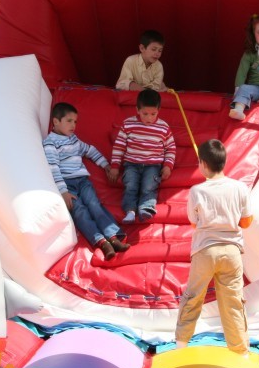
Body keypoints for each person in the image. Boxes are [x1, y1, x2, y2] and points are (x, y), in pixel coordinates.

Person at [175, 139, 253, 356]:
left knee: (193, 296)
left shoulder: (197, 191)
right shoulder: (239, 188)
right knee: (233, 302)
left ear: (202, 164)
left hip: (205, 250)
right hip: (232, 251)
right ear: (223, 162)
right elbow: (246, 222)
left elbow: (193, 222)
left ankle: (181, 345)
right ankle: (241, 352)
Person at [43, 102, 130, 261]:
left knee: (94, 205)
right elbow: (53, 168)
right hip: (67, 185)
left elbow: (90, 150)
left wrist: (106, 166)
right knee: (80, 212)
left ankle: (113, 237)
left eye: (75, 121)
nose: (73, 125)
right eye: (69, 121)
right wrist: (63, 192)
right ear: (56, 122)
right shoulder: (50, 143)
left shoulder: (74, 140)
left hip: (82, 180)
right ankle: (102, 242)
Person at [108, 89, 176, 224]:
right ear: (137, 109)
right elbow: (119, 146)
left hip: (153, 165)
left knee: (149, 185)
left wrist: (168, 166)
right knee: (131, 184)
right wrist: (115, 166)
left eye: (153, 114)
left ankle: (146, 208)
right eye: (145, 114)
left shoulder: (163, 127)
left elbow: (171, 148)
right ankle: (130, 211)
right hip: (132, 164)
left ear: (159, 110)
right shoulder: (128, 124)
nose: (149, 118)